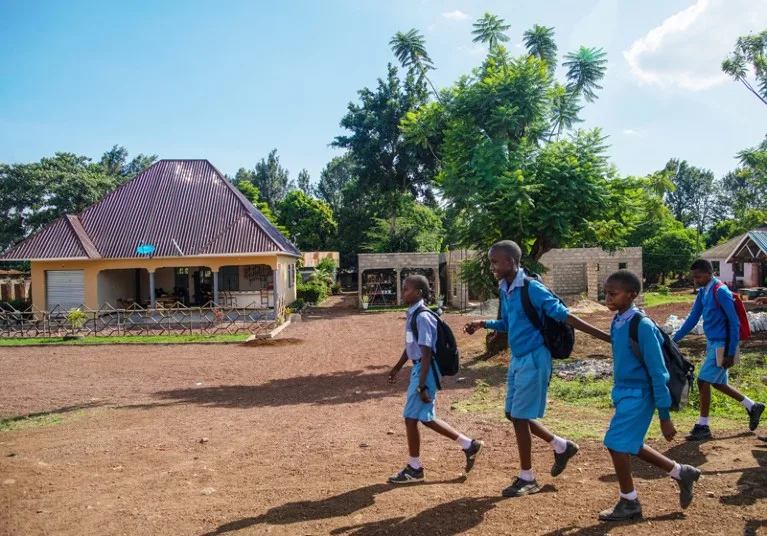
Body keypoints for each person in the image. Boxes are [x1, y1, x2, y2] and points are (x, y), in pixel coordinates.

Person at [463, 240, 611, 497]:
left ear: (510, 261)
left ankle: (527, 478)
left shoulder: (531, 288)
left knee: (520, 417)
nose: (492, 267)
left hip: (535, 357)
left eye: (495, 262)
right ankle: (561, 446)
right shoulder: (506, 289)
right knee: (512, 414)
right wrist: (482, 323)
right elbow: (508, 323)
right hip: (518, 358)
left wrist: (606, 337)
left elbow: (564, 315)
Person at [598, 270, 701, 521]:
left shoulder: (641, 325)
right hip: (624, 393)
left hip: (640, 394)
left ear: (633, 295)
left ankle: (629, 502)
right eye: (606, 294)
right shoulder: (619, 319)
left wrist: (664, 415)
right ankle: (680, 472)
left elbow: (658, 372)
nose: (608, 299)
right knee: (630, 443)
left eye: (613, 294)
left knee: (615, 443)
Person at [387, 274, 483, 484]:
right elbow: (411, 346)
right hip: (421, 367)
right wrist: (396, 367)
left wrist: (422, 385)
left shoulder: (422, 317)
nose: (402, 292)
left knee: (411, 418)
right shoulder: (413, 315)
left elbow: (427, 352)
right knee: (425, 418)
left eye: (406, 289)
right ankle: (469, 445)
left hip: (426, 369)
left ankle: (414, 468)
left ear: (418, 293)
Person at [672, 259, 764, 440]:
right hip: (712, 343)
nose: (696, 280)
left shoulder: (720, 291)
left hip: (723, 344)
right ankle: (753, 406)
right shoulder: (703, 292)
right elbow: (692, 319)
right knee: (717, 383)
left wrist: (731, 351)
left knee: (702, 382)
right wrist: (673, 340)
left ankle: (703, 426)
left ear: (709, 272)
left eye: (698, 276)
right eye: (694, 277)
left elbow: (734, 322)